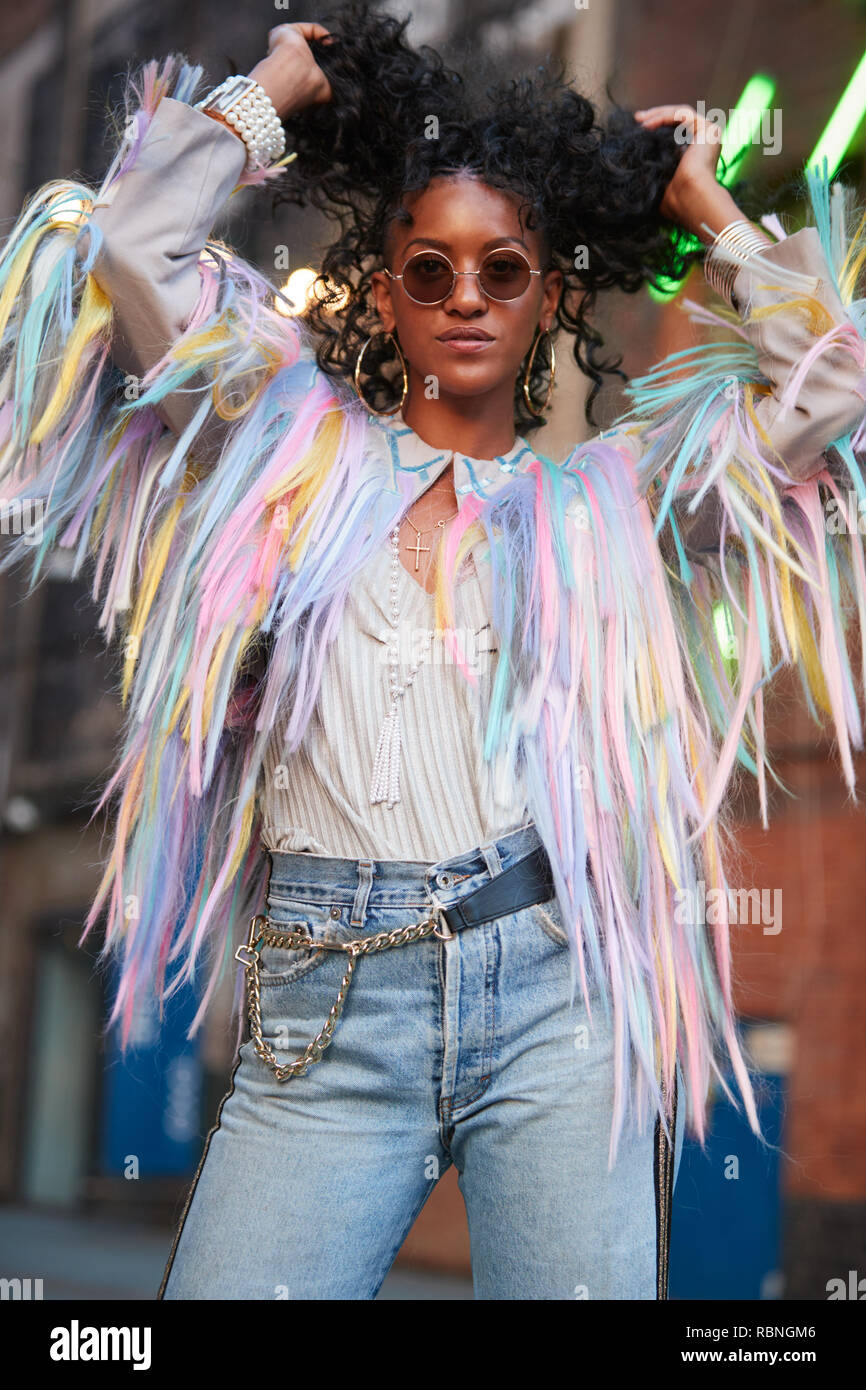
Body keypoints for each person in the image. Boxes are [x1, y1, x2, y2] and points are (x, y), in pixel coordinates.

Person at [2, 1, 865, 1299]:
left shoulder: (617, 501)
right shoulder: (277, 447)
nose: (466, 296)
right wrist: (271, 88)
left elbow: (830, 380)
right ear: (386, 288)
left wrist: (710, 208)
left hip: (557, 996)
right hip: (325, 997)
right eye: (430, 268)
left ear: (549, 291)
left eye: (502, 268)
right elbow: (133, 244)